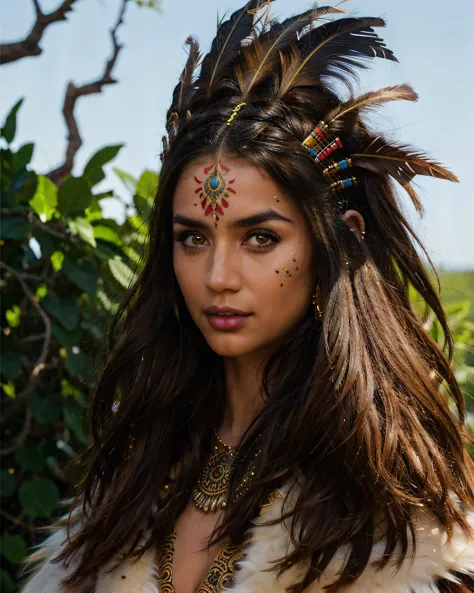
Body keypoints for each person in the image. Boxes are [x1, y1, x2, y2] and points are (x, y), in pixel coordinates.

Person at [18, 1, 474, 592]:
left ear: (338, 243)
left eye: (261, 238)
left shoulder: (402, 518)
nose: (217, 276)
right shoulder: (132, 470)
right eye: (192, 237)